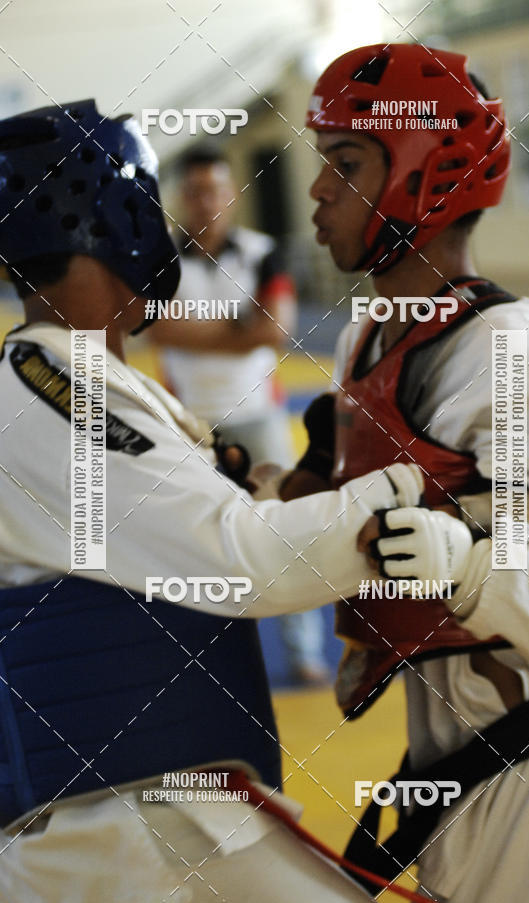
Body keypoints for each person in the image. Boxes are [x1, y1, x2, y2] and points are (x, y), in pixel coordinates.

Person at [0, 99, 472, 902]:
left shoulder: (79, 379)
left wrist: (278, 483)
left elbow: (187, 518)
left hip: (162, 809)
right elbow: (245, 559)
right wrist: (416, 481)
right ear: (115, 219)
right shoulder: (44, 386)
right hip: (120, 831)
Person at [287, 43, 529, 902]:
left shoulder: (505, 358)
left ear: (421, 175)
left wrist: (467, 569)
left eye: (343, 164)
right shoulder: (376, 336)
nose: (316, 191)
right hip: (455, 746)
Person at [152, 146, 329, 686]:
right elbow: (155, 329)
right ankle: (208, 662)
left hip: (259, 416)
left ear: (231, 196)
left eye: (216, 191)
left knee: (284, 532)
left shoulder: (261, 253)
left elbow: (273, 330)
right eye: (196, 192)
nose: (207, 202)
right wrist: (236, 326)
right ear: (182, 198)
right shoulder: (160, 263)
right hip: (188, 425)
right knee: (193, 542)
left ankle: (304, 653)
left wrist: (195, 329)